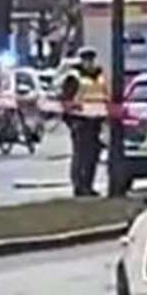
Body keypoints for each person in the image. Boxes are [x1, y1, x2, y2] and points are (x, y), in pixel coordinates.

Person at [60, 48, 108, 197]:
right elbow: (66, 101)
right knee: (81, 155)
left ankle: (88, 184)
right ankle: (79, 186)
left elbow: (104, 95)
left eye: (91, 60)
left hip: (96, 122)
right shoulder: (74, 77)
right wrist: (71, 122)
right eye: (86, 60)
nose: (89, 63)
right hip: (80, 122)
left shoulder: (100, 76)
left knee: (93, 155)